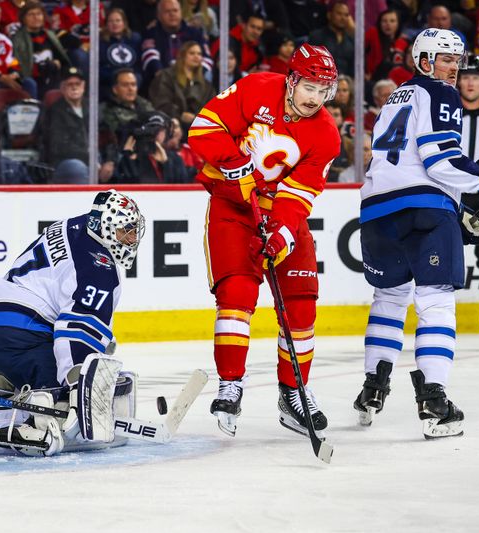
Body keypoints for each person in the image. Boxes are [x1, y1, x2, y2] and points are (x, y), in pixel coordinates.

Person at [187, 43, 341, 439]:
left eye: (324, 91)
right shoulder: (256, 88)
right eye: (309, 87)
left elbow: (301, 194)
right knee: (237, 293)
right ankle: (231, 383)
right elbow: (203, 128)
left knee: (302, 301)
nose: (316, 98)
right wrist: (229, 158)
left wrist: (283, 233)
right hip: (233, 209)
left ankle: (293, 392)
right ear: (291, 81)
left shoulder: (325, 135)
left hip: (279, 216)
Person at [353, 29, 479, 440]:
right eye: (446, 59)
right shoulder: (441, 94)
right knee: (435, 298)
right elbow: (440, 162)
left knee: (389, 297)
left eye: (457, 59)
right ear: (425, 61)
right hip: (424, 210)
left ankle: (372, 388)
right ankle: (434, 400)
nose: (454, 68)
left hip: (376, 212)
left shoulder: (394, 98)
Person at [0, 189, 145, 455]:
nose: (132, 238)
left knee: (59, 374)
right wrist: (78, 383)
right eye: (126, 230)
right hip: (19, 338)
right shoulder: (100, 269)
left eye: (134, 230)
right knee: (62, 397)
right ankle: (34, 420)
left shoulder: (75, 224)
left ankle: (9, 391)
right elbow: (75, 334)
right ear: (107, 229)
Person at [456, 55, 479, 341]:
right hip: (451, 194)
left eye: (475, 76)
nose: (470, 82)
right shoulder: (447, 112)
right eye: (465, 76)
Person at [141, 0, 212, 91]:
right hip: (163, 79)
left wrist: (194, 74)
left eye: (175, 11)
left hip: (192, 78)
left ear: (181, 12)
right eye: (167, 11)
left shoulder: (195, 33)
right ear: (159, 15)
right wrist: (164, 75)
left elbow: (207, 59)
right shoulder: (151, 33)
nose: (172, 14)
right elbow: (150, 56)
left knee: (207, 75)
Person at [148, 40, 215, 134]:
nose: (196, 56)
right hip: (171, 124)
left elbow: (211, 109)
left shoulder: (206, 85)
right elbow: (161, 102)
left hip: (198, 127)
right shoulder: (166, 76)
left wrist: (196, 118)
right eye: (192, 53)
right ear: (183, 56)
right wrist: (180, 115)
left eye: (199, 54)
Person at [11, 1, 71, 99]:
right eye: (31, 14)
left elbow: (63, 60)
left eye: (39, 14)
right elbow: (17, 64)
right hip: (29, 79)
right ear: (23, 18)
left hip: (51, 76)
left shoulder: (50, 35)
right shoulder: (17, 39)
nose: (36, 17)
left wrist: (57, 63)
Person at [39, 66, 90, 176]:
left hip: (93, 159)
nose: (74, 88)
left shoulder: (92, 107)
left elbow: (107, 137)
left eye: (77, 84)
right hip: (65, 162)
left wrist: (109, 161)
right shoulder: (55, 111)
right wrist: (89, 158)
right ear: (62, 88)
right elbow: (59, 147)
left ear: (83, 86)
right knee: (77, 168)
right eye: (70, 84)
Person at [114, 110, 189, 183]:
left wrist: (166, 164)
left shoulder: (175, 159)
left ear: (167, 133)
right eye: (151, 129)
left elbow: (182, 189)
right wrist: (128, 159)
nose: (155, 134)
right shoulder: (130, 158)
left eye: (160, 130)